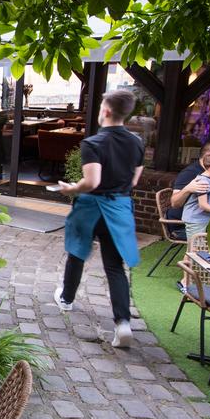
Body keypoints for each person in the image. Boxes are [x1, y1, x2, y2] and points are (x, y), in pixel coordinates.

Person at [53, 89, 145, 348]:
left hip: (92, 208)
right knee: (115, 267)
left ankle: (67, 299)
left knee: (77, 253)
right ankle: (122, 323)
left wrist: (70, 188)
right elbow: (134, 180)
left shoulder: (93, 143)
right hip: (119, 209)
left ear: (105, 110)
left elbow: (92, 182)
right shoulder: (137, 142)